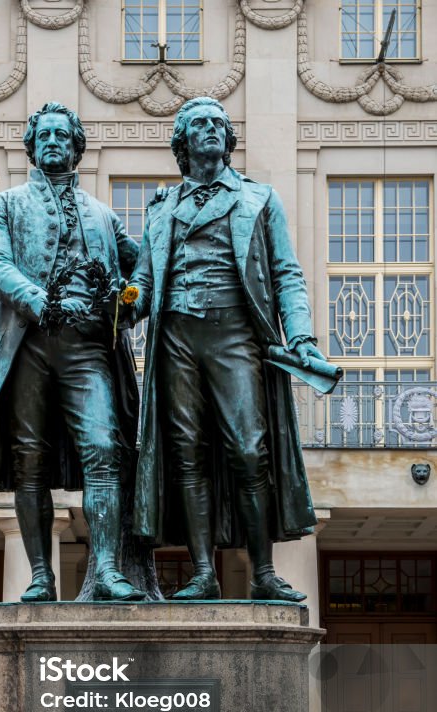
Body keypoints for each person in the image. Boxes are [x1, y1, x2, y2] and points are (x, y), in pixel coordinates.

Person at [130, 96, 319, 601]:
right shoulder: (161, 208)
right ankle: (202, 573)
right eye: (199, 124)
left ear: (228, 141)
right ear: (182, 143)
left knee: (249, 450)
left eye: (219, 123)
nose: (212, 129)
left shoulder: (260, 199)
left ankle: (262, 574)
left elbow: (287, 275)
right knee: (187, 454)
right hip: (176, 338)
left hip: (235, 333)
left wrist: (300, 336)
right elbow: (144, 284)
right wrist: (124, 300)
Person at [0, 101, 145, 602]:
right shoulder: (4, 206)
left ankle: (108, 572)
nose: (53, 142)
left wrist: (129, 303)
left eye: (62, 136)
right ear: (32, 147)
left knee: (103, 449)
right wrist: (36, 299)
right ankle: (40, 576)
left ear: (76, 148)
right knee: (30, 461)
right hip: (27, 344)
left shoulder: (103, 215)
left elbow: (142, 272)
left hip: (87, 348)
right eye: (44, 135)